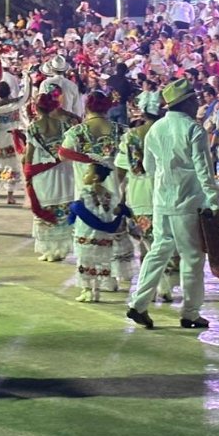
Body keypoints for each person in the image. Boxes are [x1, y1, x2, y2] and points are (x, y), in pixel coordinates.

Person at [126, 78, 219, 330]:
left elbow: (148, 167)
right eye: (195, 99)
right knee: (192, 258)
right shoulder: (194, 129)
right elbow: (204, 170)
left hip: (161, 201)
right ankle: (190, 312)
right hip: (187, 202)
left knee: (159, 251)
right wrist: (214, 201)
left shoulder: (156, 129)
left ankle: (139, 303)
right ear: (188, 102)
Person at [58, 91, 131, 295]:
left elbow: (63, 155)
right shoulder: (122, 131)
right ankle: (111, 279)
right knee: (113, 236)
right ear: (107, 108)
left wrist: (89, 157)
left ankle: (89, 288)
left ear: (86, 108)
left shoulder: (77, 132)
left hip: (86, 194)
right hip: (115, 191)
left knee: (87, 240)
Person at [115, 90, 176, 302]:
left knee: (146, 244)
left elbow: (121, 171)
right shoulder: (171, 133)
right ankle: (161, 284)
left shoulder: (131, 136)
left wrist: (119, 197)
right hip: (169, 193)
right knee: (162, 242)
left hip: (140, 196)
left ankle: (156, 286)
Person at [23, 86, 78, 262]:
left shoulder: (33, 128)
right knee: (62, 204)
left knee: (47, 205)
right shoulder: (63, 125)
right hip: (63, 170)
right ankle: (60, 250)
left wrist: (27, 171)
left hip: (43, 173)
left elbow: (29, 154)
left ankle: (49, 250)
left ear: (36, 108)